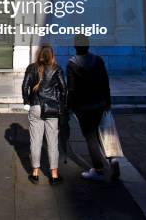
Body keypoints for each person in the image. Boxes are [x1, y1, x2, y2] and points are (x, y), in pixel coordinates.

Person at [67, 34, 119, 181]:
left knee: (91, 138)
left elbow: (72, 89)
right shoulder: (98, 60)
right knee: (104, 133)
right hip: (100, 104)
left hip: (84, 107)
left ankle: (98, 170)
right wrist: (107, 102)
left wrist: (69, 106)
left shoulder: (72, 64)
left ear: (75, 46)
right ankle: (113, 160)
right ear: (88, 46)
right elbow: (105, 82)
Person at [22, 45, 67, 185]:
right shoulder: (57, 69)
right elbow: (64, 89)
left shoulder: (31, 68)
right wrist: (62, 105)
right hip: (52, 109)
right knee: (52, 141)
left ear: (39, 54)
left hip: (35, 106)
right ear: (52, 55)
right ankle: (54, 174)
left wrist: (26, 102)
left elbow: (24, 86)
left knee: (35, 141)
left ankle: (35, 172)